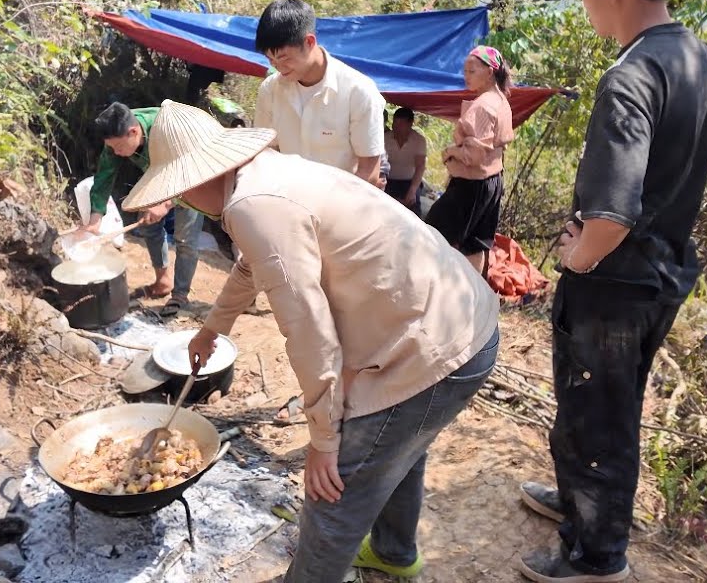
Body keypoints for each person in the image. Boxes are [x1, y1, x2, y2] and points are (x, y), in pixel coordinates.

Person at [120, 101, 501, 583]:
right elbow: (254, 265)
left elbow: (309, 329)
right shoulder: (268, 173)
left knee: (334, 490)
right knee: (399, 450)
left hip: (432, 347)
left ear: (195, 181)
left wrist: (323, 438)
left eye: (179, 190)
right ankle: (394, 552)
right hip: (466, 322)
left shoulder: (251, 205)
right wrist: (213, 327)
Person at [517, 0, 707, 582]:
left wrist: (577, 258)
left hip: (614, 280)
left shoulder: (630, 76)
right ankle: (582, 511)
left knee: (596, 415)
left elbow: (609, 215)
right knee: (612, 404)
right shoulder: (696, 55)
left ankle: (596, 555)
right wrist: (685, 171)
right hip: (662, 271)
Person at [82, 101, 204, 317]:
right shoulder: (117, 135)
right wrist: (95, 218)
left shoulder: (167, 129)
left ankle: (180, 295)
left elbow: (192, 171)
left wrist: (166, 203)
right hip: (157, 174)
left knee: (185, 238)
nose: (116, 153)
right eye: (112, 148)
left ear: (134, 131)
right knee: (148, 225)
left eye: (119, 148)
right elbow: (104, 177)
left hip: (193, 173)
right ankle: (162, 281)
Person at [252, 0, 386, 187]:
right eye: (271, 60)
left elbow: (369, 172)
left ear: (309, 41)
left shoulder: (359, 92)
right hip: (286, 204)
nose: (279, 68)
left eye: (284, 58)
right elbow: (265, 154)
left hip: (340, 208)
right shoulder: (270, 90)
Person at [424, 45, 515, 274]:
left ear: (490, 71)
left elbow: (473, 156)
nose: (466, 76)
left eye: (472, 70)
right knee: (475, 244)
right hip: (492, 181)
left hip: (471, 184)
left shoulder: (483, 106)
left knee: (432, 233)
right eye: (464, 71)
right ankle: (473, 299)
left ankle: (437, 289)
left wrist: (451, 152)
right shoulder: (501, 100)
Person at [384, 107, 428, 216]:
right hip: (388, 180)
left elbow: (420, 166)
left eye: (401, 124)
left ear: (410, 124)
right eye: (395, 123)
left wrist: (413, 190)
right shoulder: (385, 138)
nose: (396, 127)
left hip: (409, 182)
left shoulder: (418, 140)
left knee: (413, 211)